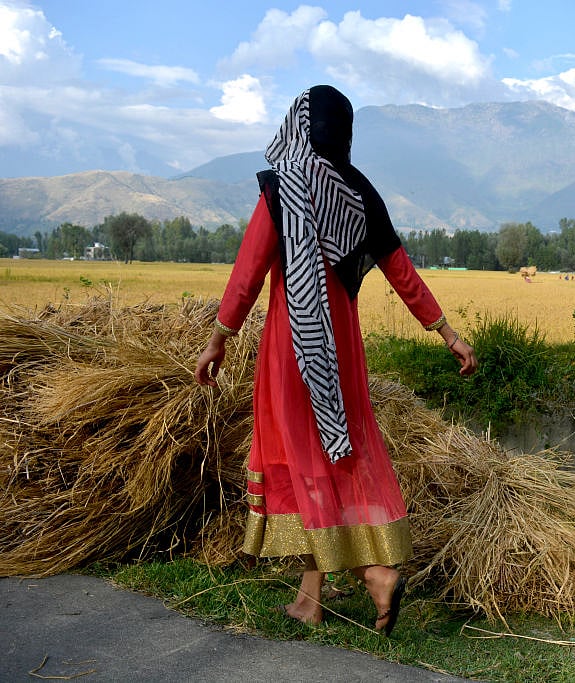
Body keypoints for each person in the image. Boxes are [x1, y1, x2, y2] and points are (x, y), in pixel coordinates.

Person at [194, 85, 478, 633]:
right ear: (344, 131)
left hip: (292, 346)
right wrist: (446, 332)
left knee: (302, 460)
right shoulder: (359, 190)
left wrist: (219, 337)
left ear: (301, 124)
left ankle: (364, 573)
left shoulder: (285, 186)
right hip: (342, 352)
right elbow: (400, 270)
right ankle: (331, 588)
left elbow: (250, 269)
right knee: (333, 458)